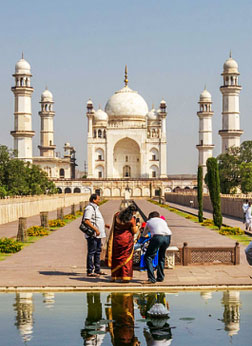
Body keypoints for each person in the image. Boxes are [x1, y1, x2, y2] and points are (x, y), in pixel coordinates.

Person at [107, 205, 139, 283]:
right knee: (126, 259)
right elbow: (134, 231)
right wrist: (138, 225)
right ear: (133, 212)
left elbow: (114, 226)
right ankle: (125, 277)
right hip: (126, 240)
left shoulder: (117, 215)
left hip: (117, 239)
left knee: (116, 257)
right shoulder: (131, 219)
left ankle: (114, 276)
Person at [83, 193, 110, 277]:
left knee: (98, 252)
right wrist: (96, 229)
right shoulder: (89, 208)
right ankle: (90, 271)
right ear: (94, 200)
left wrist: (104, 225)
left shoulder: (95, 208)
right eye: (98, 199)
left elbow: (95, 220)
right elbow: (86, 220)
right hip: (93, 234)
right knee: (92, 252)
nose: (99, 200)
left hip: (98, 234)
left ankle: (97, 270)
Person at [142, 211, 172, 284]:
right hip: (168, 237)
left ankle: (151, 278)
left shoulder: (149, 222)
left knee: (148, 257)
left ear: (150, 217)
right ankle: (160, 277)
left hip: (158, 237)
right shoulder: (163, 221)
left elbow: (144, 234)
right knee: (161, 257)